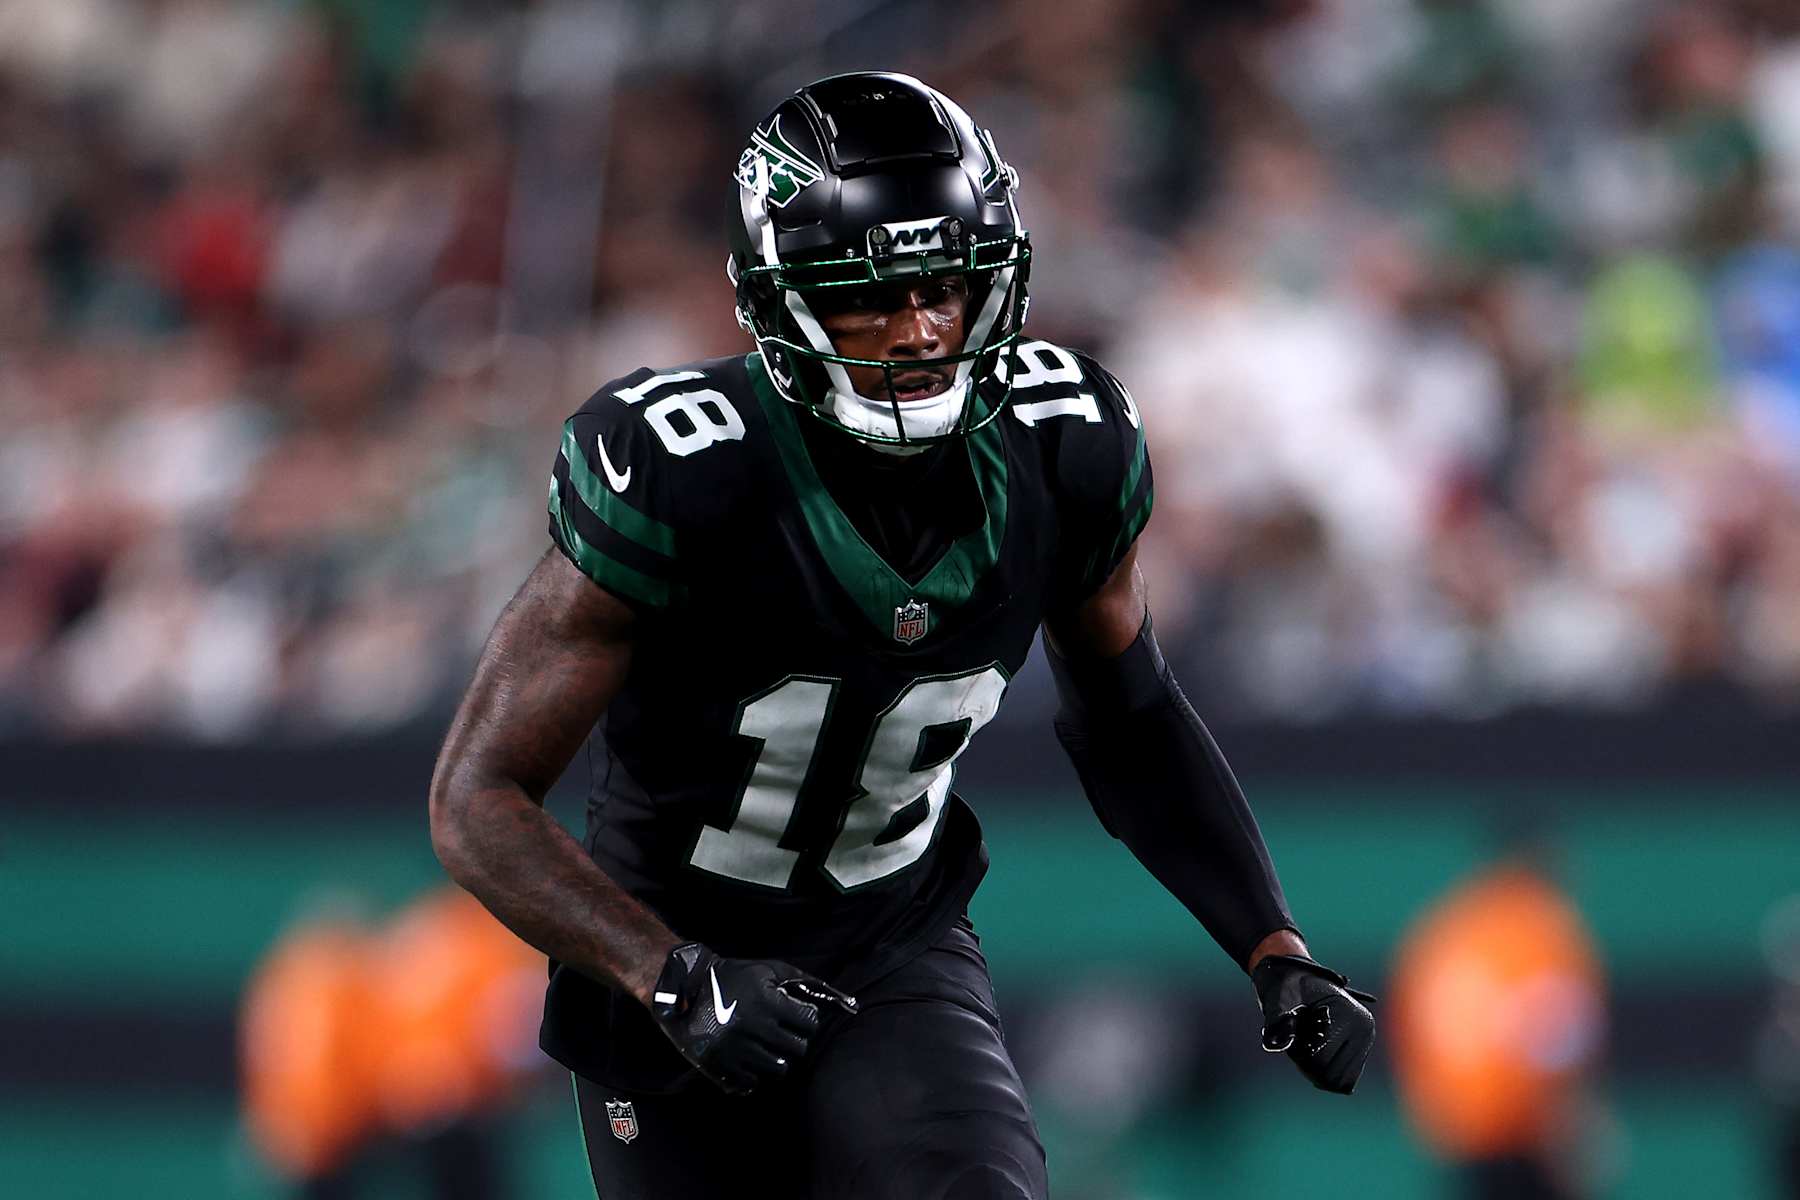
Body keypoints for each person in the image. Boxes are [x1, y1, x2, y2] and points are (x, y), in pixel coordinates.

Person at [428, 71, 1376, 1200]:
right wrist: (672, 974)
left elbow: (1132, 720)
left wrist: (1272, 946)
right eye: (870, 298)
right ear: (779, 300)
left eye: (944, 287)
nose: (920, 329)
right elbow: (477, 797)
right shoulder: (686, 471)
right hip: (671, 967)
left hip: (890, 946)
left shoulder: (1061, 448)